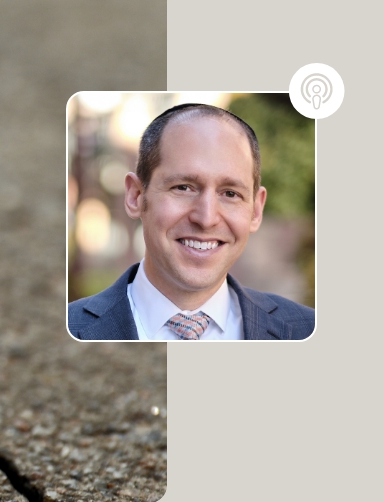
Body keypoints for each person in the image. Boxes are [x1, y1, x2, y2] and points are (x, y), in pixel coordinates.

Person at [68, 103, 315, 341]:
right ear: (135, 196)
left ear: (256, 210)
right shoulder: (67, 329)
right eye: (183, 187)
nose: (206, 218)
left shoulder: (308, 331)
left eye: (230, 193)